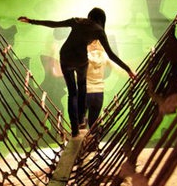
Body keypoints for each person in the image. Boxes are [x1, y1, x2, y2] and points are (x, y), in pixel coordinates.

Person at [18, 7, 135, 137]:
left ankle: (75, 129)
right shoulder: (99, 31)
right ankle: (81, 119)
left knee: (72, 93)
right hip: (80, 60)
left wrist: (31, 21)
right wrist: (128, 70)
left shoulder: (77, 21)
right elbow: (111, 55)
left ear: (90, 16)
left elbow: (54, 24)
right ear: (102, 20)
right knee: (82, 89)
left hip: (66, 58)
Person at [85, 39, 109, 130]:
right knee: (94, 123)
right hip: (99, 92)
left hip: (86, 91)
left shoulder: (84, 57)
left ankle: (80, 142)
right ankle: (93, 142)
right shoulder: (104, 57)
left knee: (81, 121)